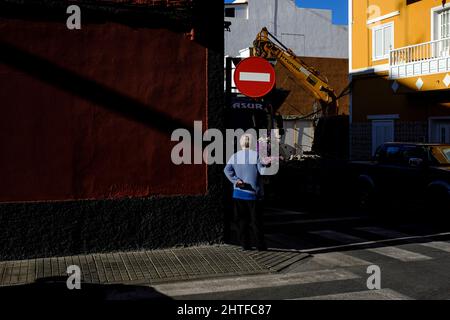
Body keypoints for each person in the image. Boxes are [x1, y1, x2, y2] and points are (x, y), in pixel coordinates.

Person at [224, 133, 267, 251]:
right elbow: (262, 172)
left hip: (238, 194)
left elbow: (227, 170)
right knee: (256, 222)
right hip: (253, 195)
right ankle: (260, 245)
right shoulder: (256, 155)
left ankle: (245, 245)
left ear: (241, 143)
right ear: (252, 143)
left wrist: (235, 180)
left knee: (241, 221)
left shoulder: (234, 156)